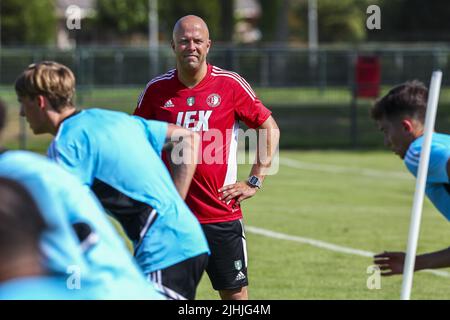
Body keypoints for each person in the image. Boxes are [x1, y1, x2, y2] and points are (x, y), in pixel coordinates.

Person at [15, 61, 209, 300]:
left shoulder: (67, 144)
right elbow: (186, 137)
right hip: (185, 240)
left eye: (22, 103)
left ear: (39, 101)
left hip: (164, 249)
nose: (21, 113)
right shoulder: (113, 119)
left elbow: (64, 221)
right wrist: (175, 207)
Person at [134, 15, 280, 300]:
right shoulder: (155, 90)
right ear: (173, 45)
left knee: (236, 298)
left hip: (221, 215)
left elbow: (269, 128)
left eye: (197, 40)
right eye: (184, 41)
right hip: (172, 217)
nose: (191, 46)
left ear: (208, 45)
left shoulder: (230, 85)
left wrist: (254, 180)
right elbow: (135, 141)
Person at [371, 80, 450, 275]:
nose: (386, 142)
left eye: (385, 131)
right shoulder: (443, 142)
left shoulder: (418, 153)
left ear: (406, 127)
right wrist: (415, 262)